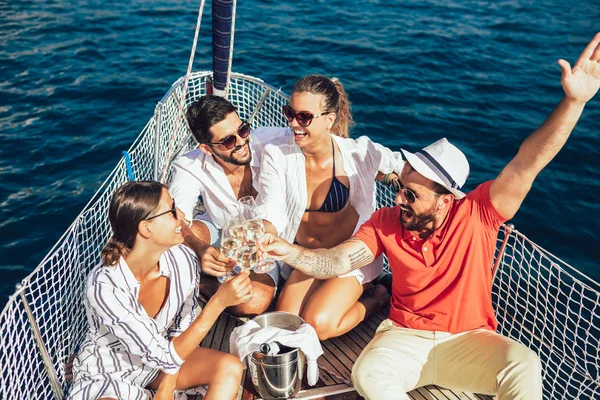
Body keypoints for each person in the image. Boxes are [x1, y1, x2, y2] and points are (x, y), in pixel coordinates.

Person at [261, 34, 600, 399]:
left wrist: (573, 102)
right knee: (369, 376)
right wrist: (285, 250)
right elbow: (336, 261)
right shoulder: (386, 222)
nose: (399, 198)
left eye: (411, 194)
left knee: (524, 364)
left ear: (445, 200)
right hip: (403, 338)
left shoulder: (478, 213)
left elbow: (528, 163)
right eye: (400, 187)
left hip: (470, 340)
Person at [69, 181, 252, 400]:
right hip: (110, 371)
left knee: (229, 368)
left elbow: (180, 326)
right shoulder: (104, 287)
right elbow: (166, 355)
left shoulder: (183, 258)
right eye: (172, 211)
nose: (182, 216)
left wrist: (168, 383)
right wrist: (218, 302)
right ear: (146, 228)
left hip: (158, 366)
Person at [257, 75, 405, 340]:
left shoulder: (358, 153)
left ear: (330, 119)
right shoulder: (277, 155)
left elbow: (399, 166)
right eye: (289, 113)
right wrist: (264, 233)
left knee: (317, 324)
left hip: (347, 258)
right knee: (286, 326)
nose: (293, 123)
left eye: (304, 117)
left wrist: (394, 179)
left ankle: (379, 297)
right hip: (306, 258)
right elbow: (271, 208)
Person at [169, 95, 293, 316]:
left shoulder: (268, 141)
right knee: (182, 238)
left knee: (252, 303)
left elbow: (312, 134)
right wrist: (200, 248)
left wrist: (374, 159)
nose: (241, 142)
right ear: (207, 149)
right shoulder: (189, 165)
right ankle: (207, 277)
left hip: (267, 243)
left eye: (243, 130)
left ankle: (199, 284)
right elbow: (176, 218)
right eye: (228, 141)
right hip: (221, 233)